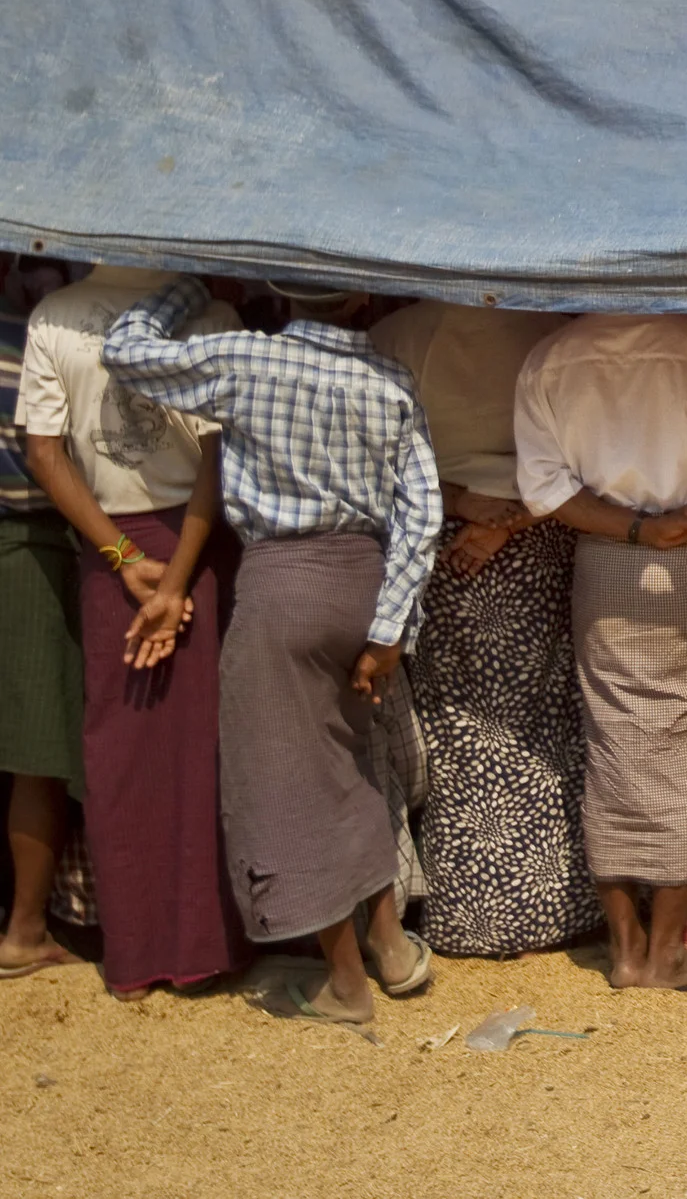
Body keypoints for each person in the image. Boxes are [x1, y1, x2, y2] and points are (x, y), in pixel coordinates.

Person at [103, 277, 440, 1023]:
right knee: (352, 761)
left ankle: (346, 981)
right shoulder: (390, 381)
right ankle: (390, 946)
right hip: (362, 583)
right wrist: (387, 629)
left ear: (278, 293)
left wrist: (185, 288)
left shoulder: (245, 361)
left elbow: (124, 352)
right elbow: (422, 515)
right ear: (360, 300)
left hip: (282, 584)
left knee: (287, 778)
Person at [17, 264, 251, 996]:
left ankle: (136, 952)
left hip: (108, 552)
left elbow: (43, 452)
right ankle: (202, 945)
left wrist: (123, 561)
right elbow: (219, 460)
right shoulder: (213, 317)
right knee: (200, 748)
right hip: (196, 545)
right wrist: (178, 576)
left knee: (119, 751)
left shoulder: (53, 315)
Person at [514, 313, 687, 991]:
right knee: (686, 749)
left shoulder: (550, 356)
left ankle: (624, 952)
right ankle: (667, 954)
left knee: (613, 744)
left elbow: (547, 493)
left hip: (605, 563)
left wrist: (633, 528)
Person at [367, 300, 594, 957]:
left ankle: (470, 910)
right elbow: (583, 459)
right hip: (538, 534)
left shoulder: (396, 333)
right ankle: (555, 906)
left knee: (457, 724)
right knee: (546, 720)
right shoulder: (553, 332)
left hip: (445, 540)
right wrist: (509, 520)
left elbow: (376, 454)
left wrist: (462, 502)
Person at [0, 257, 82, 982]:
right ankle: (24, 927)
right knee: (37, 748)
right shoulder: (31, 340)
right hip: (30, 544)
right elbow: (50, 460)